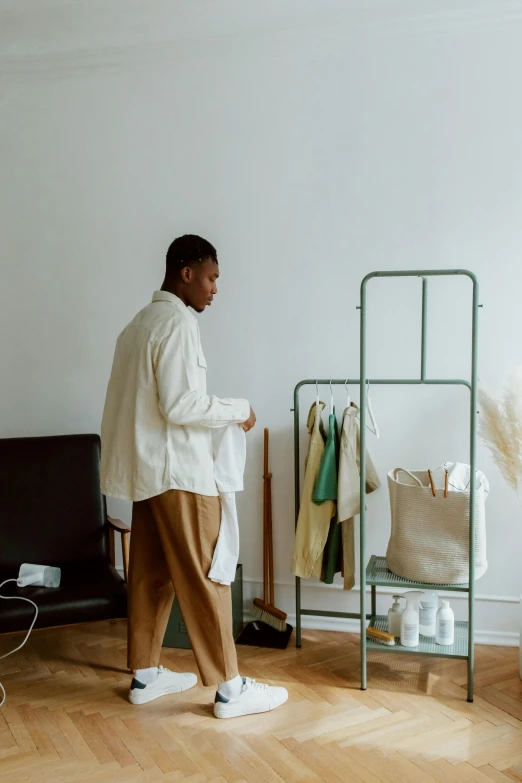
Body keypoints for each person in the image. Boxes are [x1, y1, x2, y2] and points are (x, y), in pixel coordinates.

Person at [100, 234, 288, 719]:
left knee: (149, 575)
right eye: (211, 277)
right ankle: (229, 687)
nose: (215, 289)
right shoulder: (177, 324)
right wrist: (238, 409)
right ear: (186, 272)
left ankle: (145, 674)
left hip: (146, 474)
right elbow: (181, 404)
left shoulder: (135, 326)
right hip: (178, 473)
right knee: (209, 575)